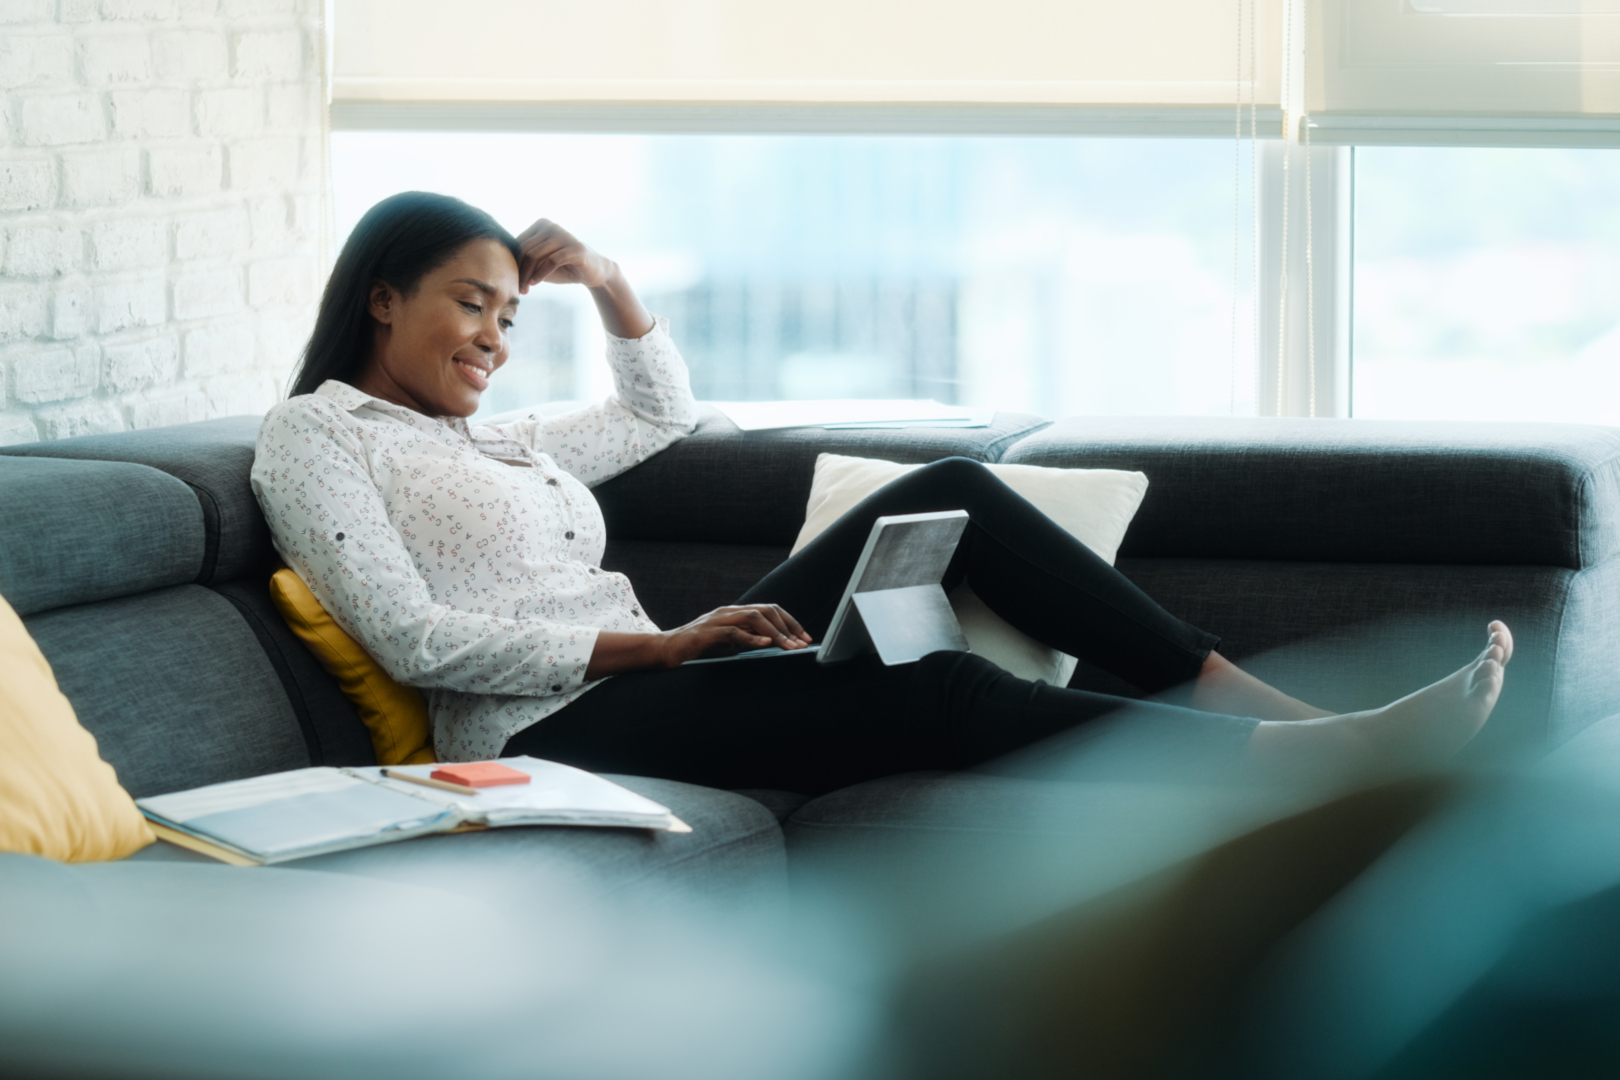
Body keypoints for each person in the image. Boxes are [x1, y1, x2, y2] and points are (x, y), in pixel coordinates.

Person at [252, 191, 1513, 794]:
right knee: (932, 679)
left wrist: (611, 284)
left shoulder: (501, 440)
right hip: (544, 738)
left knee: (960, 488)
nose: (494, 338)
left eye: (511, 315)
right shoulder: (319, 441)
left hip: (662, 672)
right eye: (471, 305)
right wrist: (659, 646)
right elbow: (410, 635)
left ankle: (1257, 700)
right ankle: (1299, 763)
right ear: (381, 297)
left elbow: (655, 413)